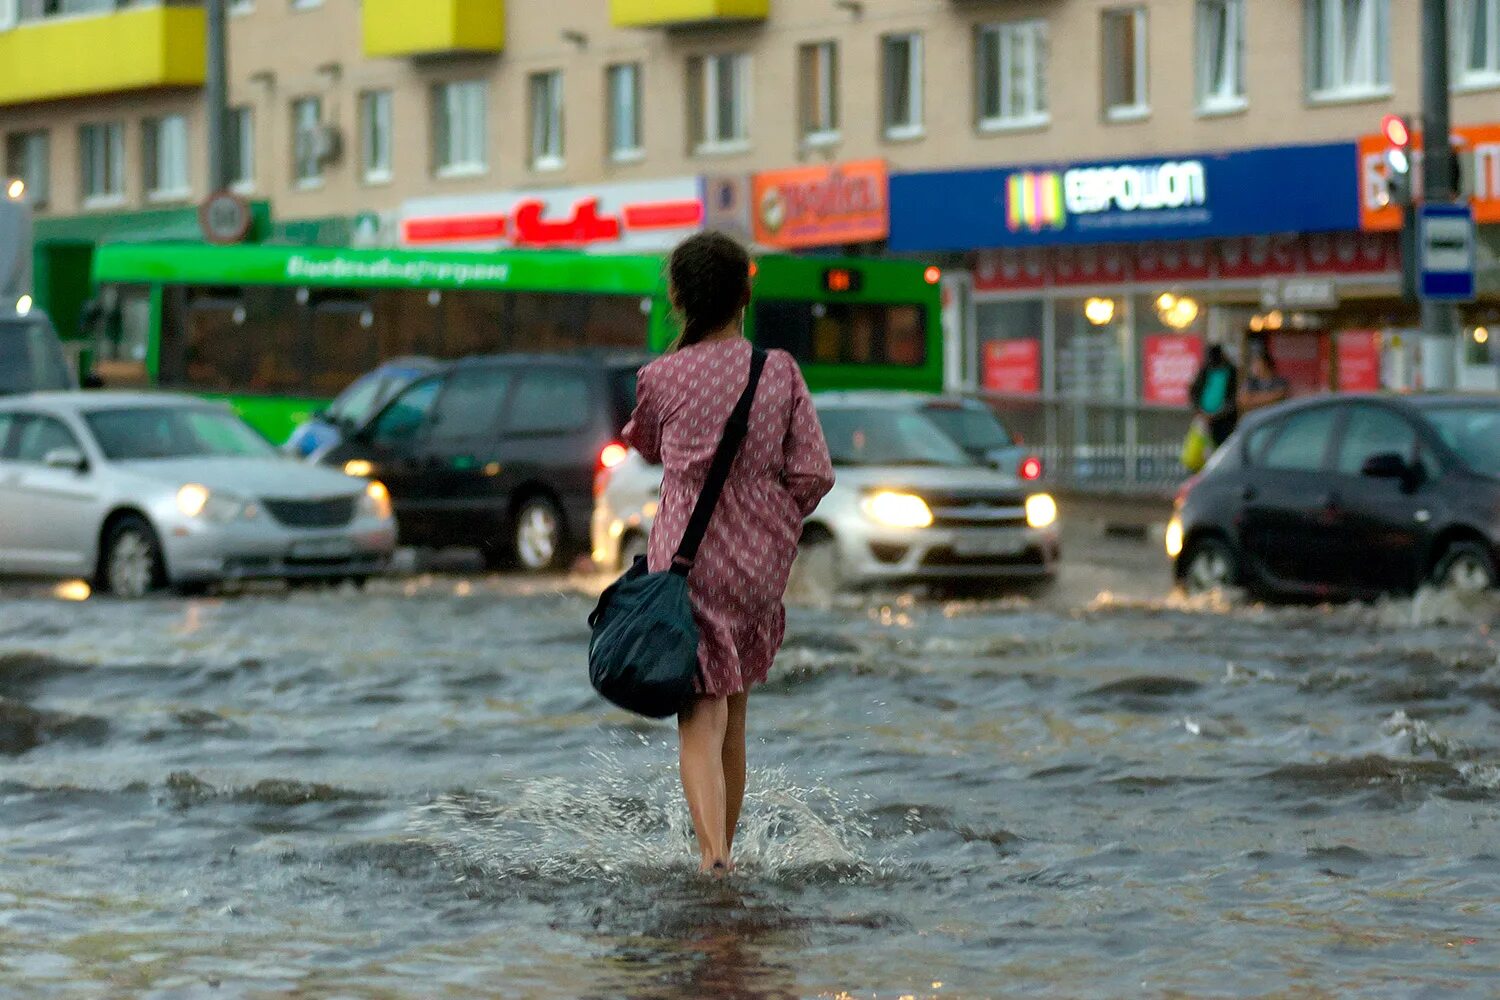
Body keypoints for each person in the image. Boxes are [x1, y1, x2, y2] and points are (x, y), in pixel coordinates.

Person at [622, 231, 834, 876]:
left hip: (688, 562)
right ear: (746, 293)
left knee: (699, 715)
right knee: (734, 707)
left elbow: (645, 445)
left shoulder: (661, 376)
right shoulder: (779, 370)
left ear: (679, 300)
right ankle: (726, 852)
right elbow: (813, 474)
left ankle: (713, 861)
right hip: (759, 567)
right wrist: (769, 523)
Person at [1188, 344, 1240, 448]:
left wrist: (1217, 414)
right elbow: (1193, 391)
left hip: (1224, 420)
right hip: (1204, 417)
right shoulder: (1205, 370)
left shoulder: (1230, 371)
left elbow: (1233, 396)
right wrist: (1200, 412)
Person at [1238, 343, 1291, 416]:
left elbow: (1278, 396)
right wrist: (1268, 398)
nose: (1254, 367)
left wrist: (1253, 398)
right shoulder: (1250, 382)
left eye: (1257, 363)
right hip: (1255, 421)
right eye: (1253, 364)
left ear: (1266, 364)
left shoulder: (1279, 381)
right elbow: (1243, 401)